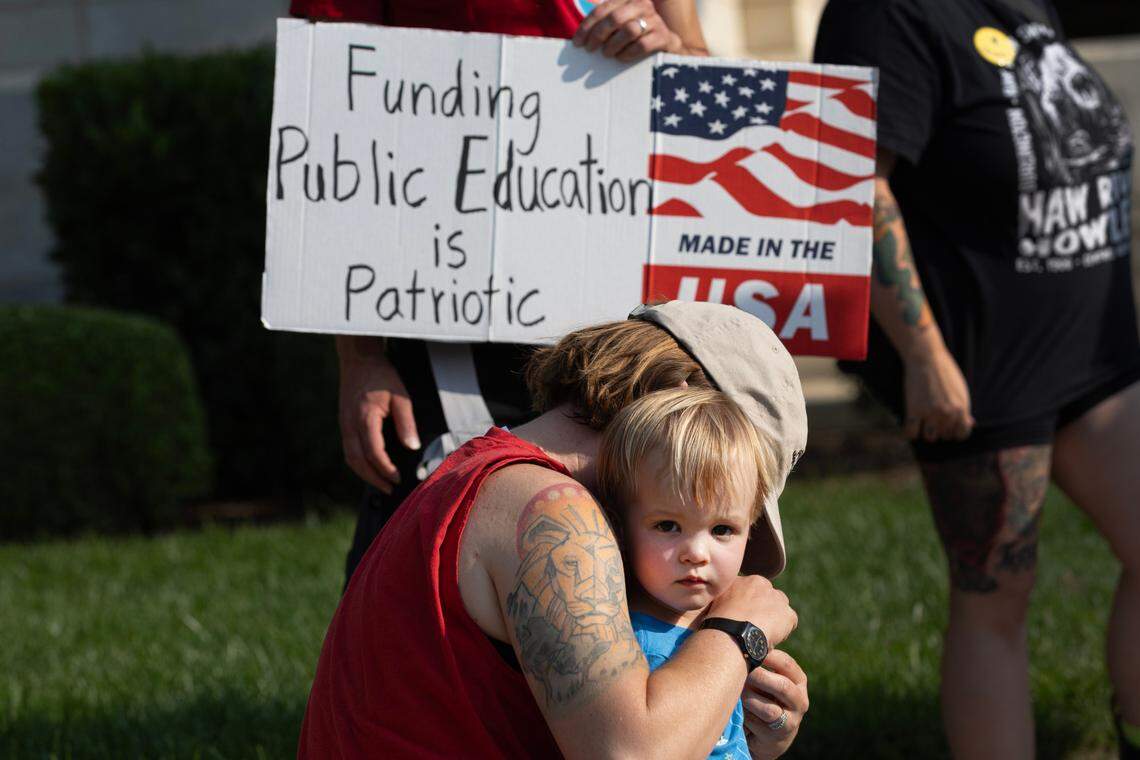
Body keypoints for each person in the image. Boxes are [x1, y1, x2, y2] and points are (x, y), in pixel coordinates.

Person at [288, 0, 712, 586]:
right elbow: (331, 102)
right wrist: (360, 355)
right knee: (432, 563)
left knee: (649, 549)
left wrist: (669, 52)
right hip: (445, 299)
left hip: (619, 299)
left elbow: (702, 67)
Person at [814, 1, 1140, 757]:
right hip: (981, 364)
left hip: (1093, 356)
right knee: (996, 602)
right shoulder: (884, 14)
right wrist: (924, 358)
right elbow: (858, 186)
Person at [298, 301, 810, 758]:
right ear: (676, 400)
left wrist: (732, 721)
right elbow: (630, 754)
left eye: (724, 524)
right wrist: (736, 634)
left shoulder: (489, 473)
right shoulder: (551, 511)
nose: (699, 547)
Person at [596, 386, 783, 758]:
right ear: (618, 525)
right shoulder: (619, 641)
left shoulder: (733, 621)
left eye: (722, 530)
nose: (696, 553)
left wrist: (773, 736)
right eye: (667, 526)